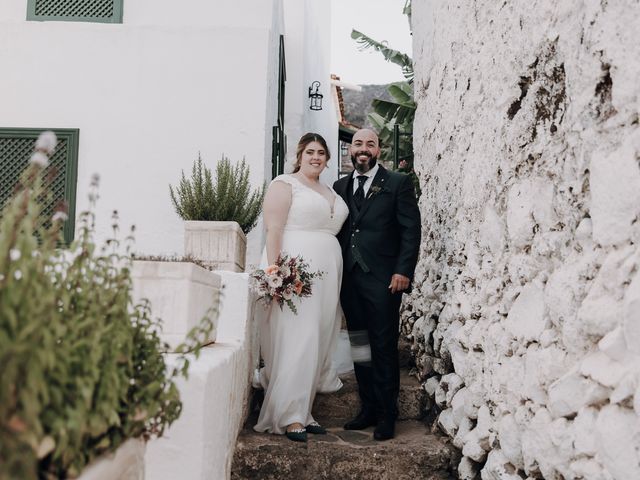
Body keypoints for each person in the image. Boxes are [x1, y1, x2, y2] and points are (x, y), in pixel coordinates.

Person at [253, 132, 349, 442]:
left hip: (327, 278)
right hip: (297, 275)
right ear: (299, 155)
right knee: (299, 340)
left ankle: (304, 412)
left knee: (317, 340)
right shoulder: (284, 184)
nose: (316, 157)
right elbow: (274, 229)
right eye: (310, 151)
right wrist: (277, 272)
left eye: (322, 152)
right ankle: (288, 416)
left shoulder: (327, 189)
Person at [333, 128, 421, 441]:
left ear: (378, 150)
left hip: (385, 281)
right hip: (350, 281)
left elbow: (411, 230)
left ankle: (387, 414)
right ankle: (368, 408)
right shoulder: (339, 186)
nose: (363, 148)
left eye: (370, 143)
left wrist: (403, 271)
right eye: (358, 143)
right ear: (351, 150)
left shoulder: (397, 183)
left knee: (383, 347)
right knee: (360, 346)